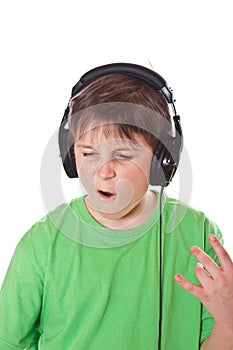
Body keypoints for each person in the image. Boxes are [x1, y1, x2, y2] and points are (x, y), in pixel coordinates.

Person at [0, 63, 232, 350]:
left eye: (122, 155)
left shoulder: (198, 234)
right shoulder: (44, 241)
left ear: (163, 160)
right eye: (88, 153)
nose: (103, 171)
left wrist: (227, 319)